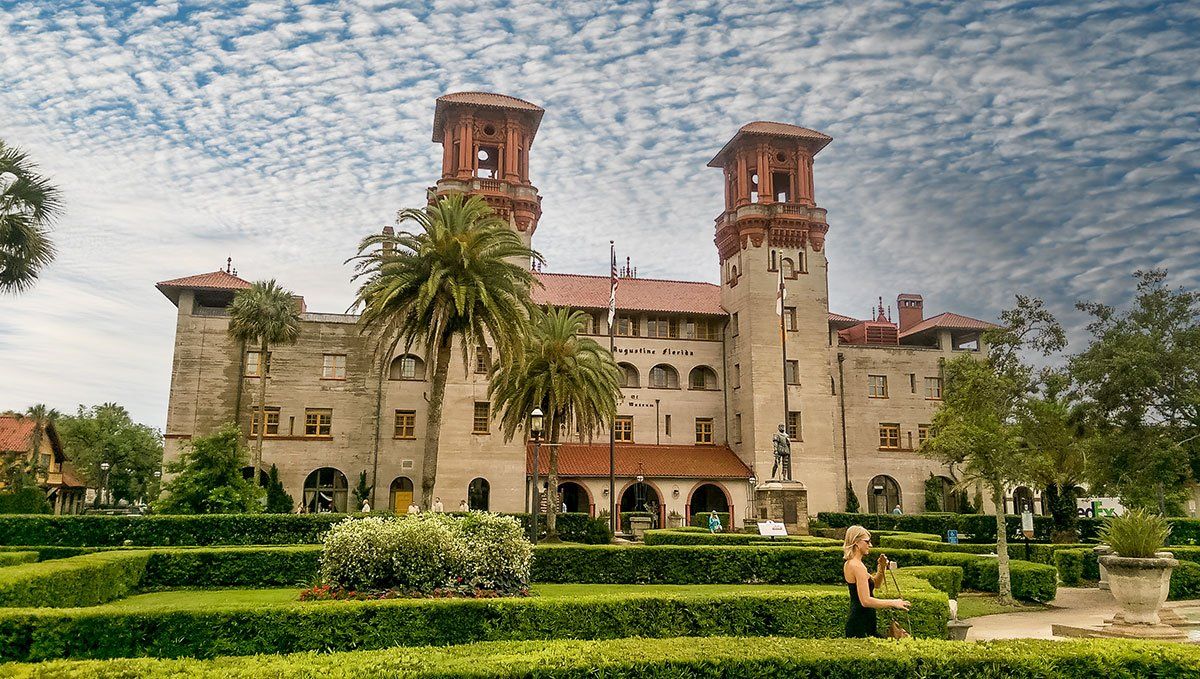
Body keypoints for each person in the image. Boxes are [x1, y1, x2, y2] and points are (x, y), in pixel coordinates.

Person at [842, 525, 910, 638]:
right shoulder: (857, 566)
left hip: (864, 621)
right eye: (867, 542)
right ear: (857, 543)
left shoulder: (854, 564)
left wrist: (882, 567)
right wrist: (894, 602)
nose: (870, 545)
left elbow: (876, 584)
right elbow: (865, 601)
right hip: (859, 624)